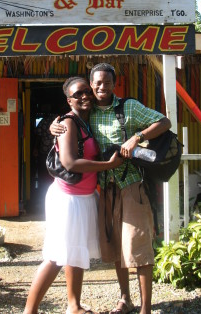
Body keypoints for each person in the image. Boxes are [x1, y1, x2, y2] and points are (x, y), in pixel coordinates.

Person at [50, 63, 171, 314]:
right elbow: (69, 120)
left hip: (131, 186)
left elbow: (164, 122)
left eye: (106, 82)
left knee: (138, 246)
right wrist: (55, 125)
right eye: (96, 83)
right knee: (116, 247)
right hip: (105, 189)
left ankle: (146, 308)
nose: (100, 87)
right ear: (91, 85)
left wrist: (137, 137)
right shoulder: (88, 111)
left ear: (114, 84)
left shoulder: (128, 107)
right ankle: (125, 299)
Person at [23, 76, 123, 314]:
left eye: (87, 91)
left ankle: (74, 305)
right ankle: (30, 310)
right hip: (68, 201)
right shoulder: (68, 123)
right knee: (56, 256)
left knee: (75, 252)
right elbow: (70, 162)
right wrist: (108, 165)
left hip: (85, 198)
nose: (85, 96)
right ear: (69, 100)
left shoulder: (88, 120)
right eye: (78, 94)